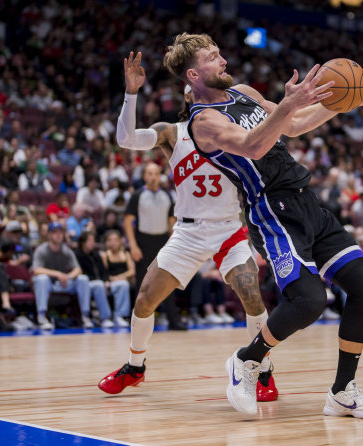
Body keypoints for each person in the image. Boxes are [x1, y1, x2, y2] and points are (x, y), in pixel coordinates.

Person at [164, 33, 363, 418]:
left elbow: (295, 125)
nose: (223, 60)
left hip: (306, 201)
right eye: (213, 57)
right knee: (309, 301)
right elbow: (253, 146)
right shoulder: (203, 122)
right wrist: (286, 105)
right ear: (193, 74)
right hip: (272, 210)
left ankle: (342, 392)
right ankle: (246, 361)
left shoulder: (244, 92)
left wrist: (341, 102)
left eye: (220, 52)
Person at [98, 51, 278, 402]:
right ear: (188, 89)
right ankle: (135, 367)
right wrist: (131, 92)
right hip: (188, 231)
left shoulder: (230, 124)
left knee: (252, 299)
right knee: (145, 299)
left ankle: (263, 370)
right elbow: (126, 140)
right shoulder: (172, 133)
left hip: (229, 227)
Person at [123, 162, 186, 330]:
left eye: (156, 174)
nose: (153, 177)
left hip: (162, 242)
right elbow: (128, 221)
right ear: (144, 176)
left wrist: (172, 244)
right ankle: (138, 324)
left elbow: (172, 223)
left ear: (160, 176)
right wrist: (133, 246)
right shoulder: (137, 195)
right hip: (142, 243)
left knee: (168, 282)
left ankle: (173, 321)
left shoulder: (167, 196)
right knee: (142, 285)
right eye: (149, 174)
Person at [31, 222, 91, 329]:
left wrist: (68, 277)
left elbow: (78, 269)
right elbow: (36, 270)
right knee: (41, 279)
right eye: (54, 232)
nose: (58, 235)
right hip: (49, 284)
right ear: (48, 235)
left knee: (83, 279)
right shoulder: (41, 250)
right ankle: (42, 317)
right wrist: (58, 274)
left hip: (64, 283)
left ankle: (85, 316)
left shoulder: (66, 250)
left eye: (60, 232)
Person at [75, 231, 130, 328]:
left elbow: (104, 272)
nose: (92, 243)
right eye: (90, 240)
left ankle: (119, 316)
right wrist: (101, 282)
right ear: (83, 242)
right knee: (98, 285)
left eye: (93, 240)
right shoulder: (77, 255)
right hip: (88, 285)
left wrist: (107, 282)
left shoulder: (96, 255)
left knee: (123, 284)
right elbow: (80, 273)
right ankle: (105, 318)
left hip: (102, 283)